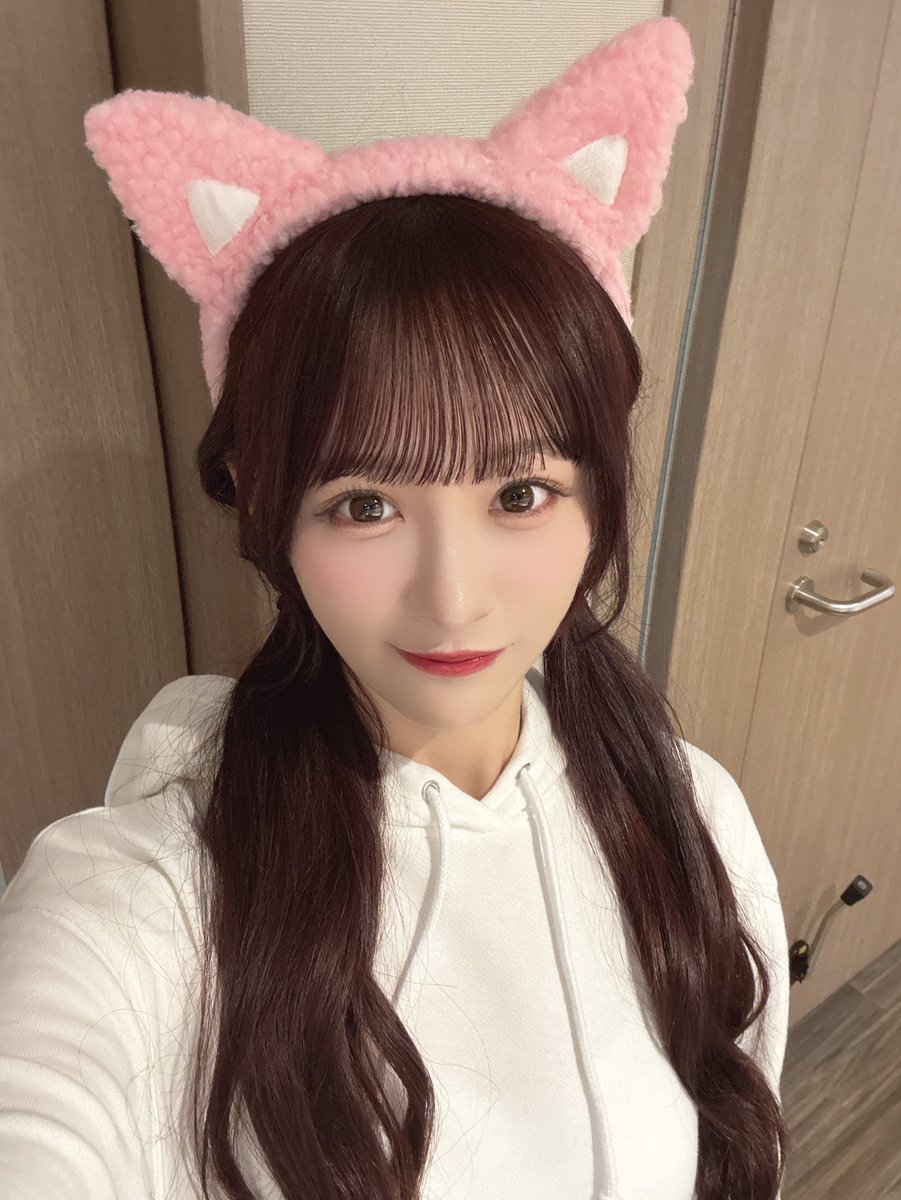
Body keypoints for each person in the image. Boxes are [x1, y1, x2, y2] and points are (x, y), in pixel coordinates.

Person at [0, 16, 790, 1200]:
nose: (452, 597)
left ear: (599, 496)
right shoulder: (159, 893)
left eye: (519, 493)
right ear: (265, 508)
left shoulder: (691, 818)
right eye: (364, 505)